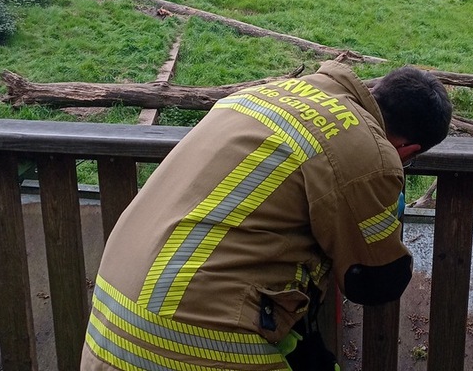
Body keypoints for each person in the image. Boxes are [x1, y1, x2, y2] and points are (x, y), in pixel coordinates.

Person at [81, 60, 452, 370]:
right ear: (407, 149)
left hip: (112, 319)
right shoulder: (367, 149)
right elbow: (373, 281)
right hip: (188, 339)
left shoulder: (267, 94)